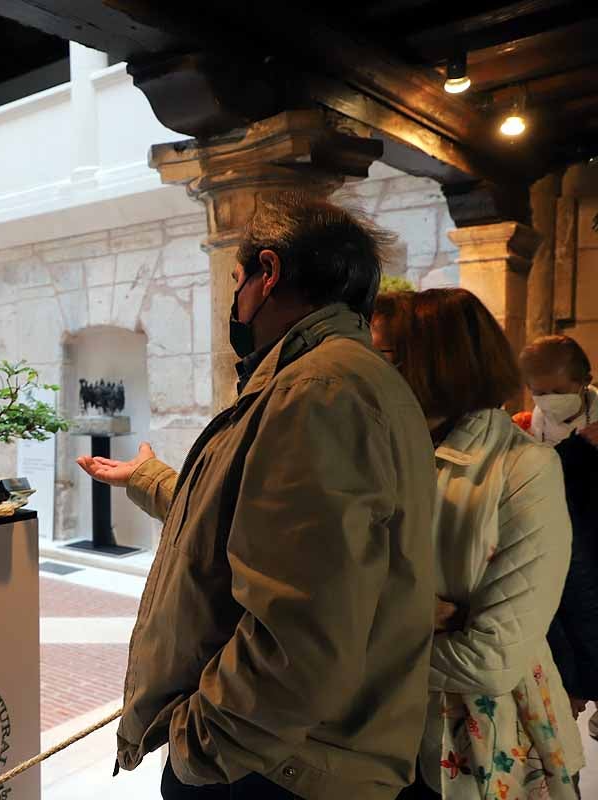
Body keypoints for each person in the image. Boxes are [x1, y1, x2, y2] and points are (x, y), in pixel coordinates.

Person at [77, 193, 437, 799]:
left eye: (237, 280)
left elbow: (301, 628)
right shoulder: (338, 377)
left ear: (268, 273)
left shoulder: (319, 389)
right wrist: (146, 478)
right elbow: (247, 519)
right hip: (295, 749)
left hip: (279, 766)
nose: (233, 301)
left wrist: (202, 745)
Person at [372, 291, 585, 799]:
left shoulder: (522, 469)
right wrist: (417, 615)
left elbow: (491, 659)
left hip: (481, 749)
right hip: (373, 743)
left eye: (379, 356)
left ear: (433, 365)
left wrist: (362, 644)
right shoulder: (377, 454)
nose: (361, 370)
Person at [519, 335, 598, 745]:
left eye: (557, 391)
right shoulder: (528, 426)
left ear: (584, 380)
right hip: (560, 551)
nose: (548, 400)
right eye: (539, 392)